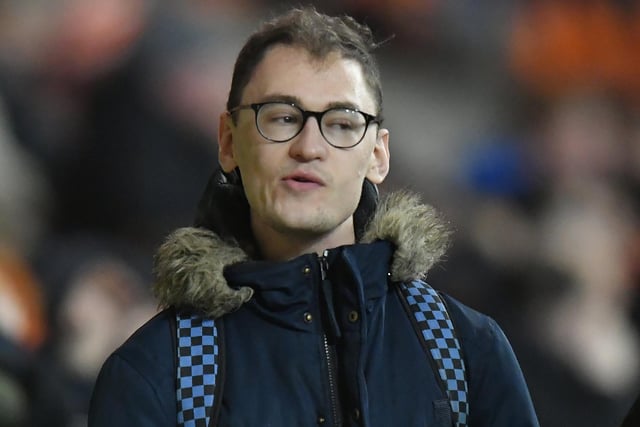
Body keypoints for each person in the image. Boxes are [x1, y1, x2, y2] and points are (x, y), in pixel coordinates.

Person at [88, 7, 539, 426]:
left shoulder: (466, 351)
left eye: (342, 124)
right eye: (282, 118)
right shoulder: (157, 373)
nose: (308, 147)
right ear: (228, 142)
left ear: (378, 156)